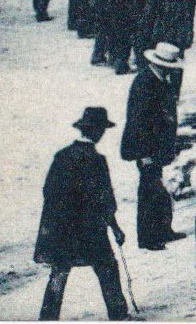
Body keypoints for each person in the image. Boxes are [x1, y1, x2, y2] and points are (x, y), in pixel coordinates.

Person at [35, 107, 129, 321]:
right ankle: (118, 314)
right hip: (90, 230)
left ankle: (48, 317)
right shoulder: (96, 160)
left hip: (61, 229)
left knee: (59, 271)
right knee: (107, 268)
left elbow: (48, 191)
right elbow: (104, 199)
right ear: (97, 131)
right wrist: (115, 227)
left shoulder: (62, 156)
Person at [120, 42, 184, 250]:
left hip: (158, 146)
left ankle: (164, 229)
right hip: (147, 148)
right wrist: (144, 153)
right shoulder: (144, 84)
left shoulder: (159, 80)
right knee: (149, 190)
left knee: (160, 190)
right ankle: (148, 237)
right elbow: (138, 122)